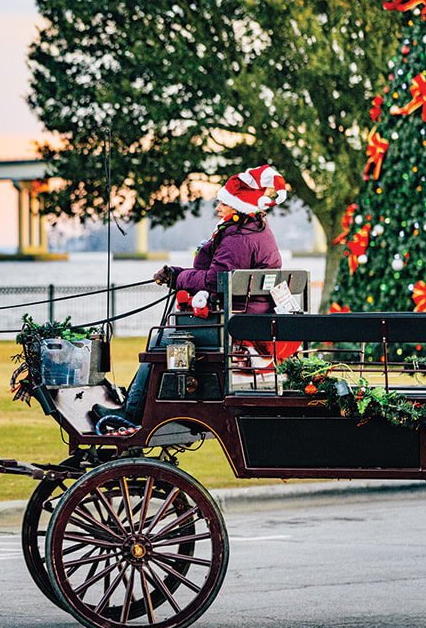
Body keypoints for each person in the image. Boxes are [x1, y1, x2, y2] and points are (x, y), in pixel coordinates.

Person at [95, 165, 288, 433]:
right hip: (245, 320)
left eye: (223, 203)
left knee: (159, 339)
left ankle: (133, 411)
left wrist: (178, 277)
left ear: (238, 206)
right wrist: (177, 274)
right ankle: (137, 404)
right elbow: (217, 277)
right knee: (162, 337)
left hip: (231, 325)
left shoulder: (238, 239)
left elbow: (215, 282)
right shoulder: (256, 232)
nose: (218, 208)